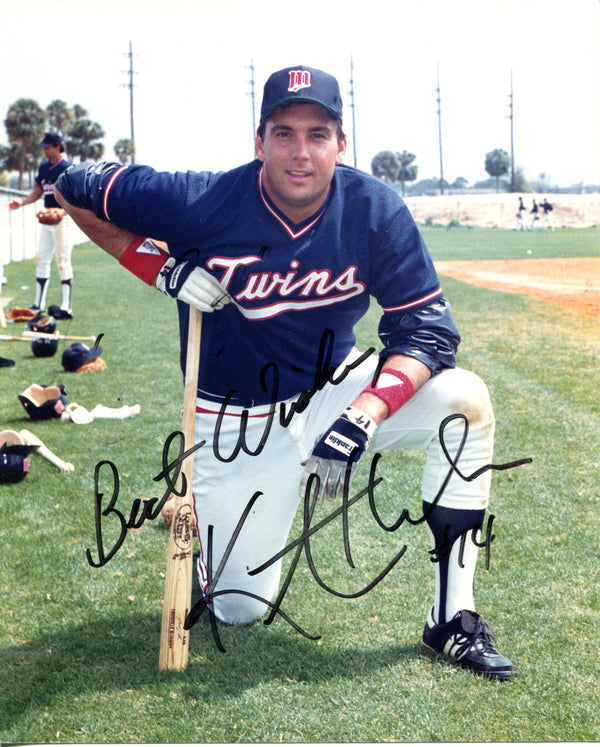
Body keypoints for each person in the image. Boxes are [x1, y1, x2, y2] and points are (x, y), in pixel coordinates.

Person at [55, 65, 518, 680]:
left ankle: (451, 619)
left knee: (465, 399)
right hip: (235, 419)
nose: (301, 152)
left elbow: (427, 332)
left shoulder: (375, 211)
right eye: (285, 133)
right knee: (240, 611)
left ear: (341, 143)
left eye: (318, 134)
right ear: (259, 142)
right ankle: (215, 535)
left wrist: (365, 413)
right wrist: (155, 267)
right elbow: (69, 185)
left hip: (331, 392)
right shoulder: (200, 199)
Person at [8, 132, 74, 318]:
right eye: (43, 147)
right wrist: (21, 203)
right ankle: (38, 305)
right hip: (47, 217)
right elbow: (38, 191)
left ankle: (66, 307)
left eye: (47, 146)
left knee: (62, 260)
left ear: (57, 146)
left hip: (62, 219)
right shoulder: (44, 167)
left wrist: (63, 211)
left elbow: (74, 196)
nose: (44, 150)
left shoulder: (66, 168)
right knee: (42, 260)